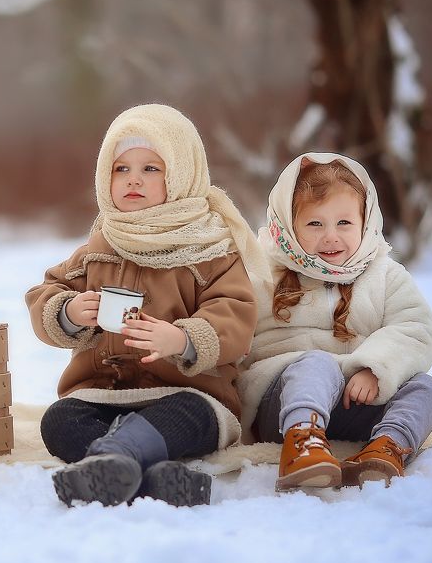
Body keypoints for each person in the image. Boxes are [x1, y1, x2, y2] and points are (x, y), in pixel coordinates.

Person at [26, 104, 266, 507]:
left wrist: (182, 339)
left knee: (191, 418)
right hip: (104, 393)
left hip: (186, 393)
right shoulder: (100, 246)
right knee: (59, 421)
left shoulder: (209, 248)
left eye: (151, 169)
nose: (133, 179)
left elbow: (235, 312)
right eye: (121, 168)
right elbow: (46, 291)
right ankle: (151, 478)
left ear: (182, 174)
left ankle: (114, 458)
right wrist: (68, 312)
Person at [237, 152, 432, 491]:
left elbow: (415, 328)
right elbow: (231, 326)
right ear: (289, 225)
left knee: (426, 388)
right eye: (315, 224)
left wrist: (374, 368)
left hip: (356, 401)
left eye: (344, 223)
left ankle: (385, 448)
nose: (331, 236)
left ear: (366, 221)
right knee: (318, 364)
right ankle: (303, 443)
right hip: (284, 405)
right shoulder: (262, 273)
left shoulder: (385, 275)